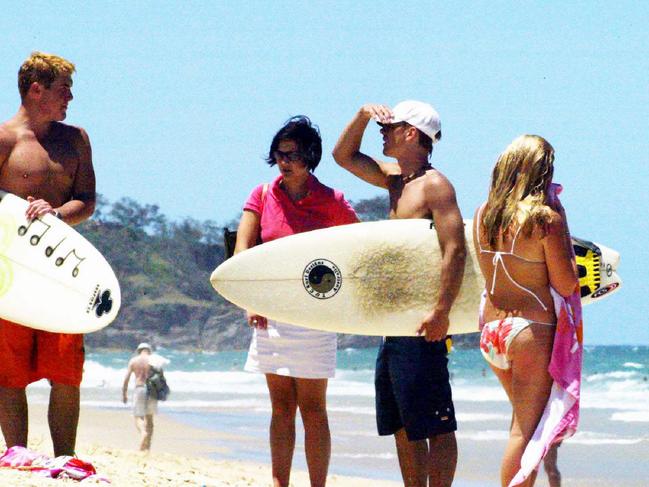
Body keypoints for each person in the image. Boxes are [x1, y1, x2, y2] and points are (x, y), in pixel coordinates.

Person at [332, 101, 466, 487]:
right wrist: (360, 115)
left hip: (425, 322)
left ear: (411, 134)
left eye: (390, 128)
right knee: (402, 423)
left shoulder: (435, 185)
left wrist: (442, 311)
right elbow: (344, 156)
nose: (382, 132)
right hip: (394, 323)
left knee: (437, 424)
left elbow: (454, 249)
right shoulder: (395, 181)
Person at [235, 116, 358, 487]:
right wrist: (249, 301)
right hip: (271, 313)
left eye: (293, 154)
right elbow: (243, 251)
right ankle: (279, 483)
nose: (285, 161)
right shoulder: (261, 194)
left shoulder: (331, 200)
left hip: (315, 314)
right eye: (280, 153)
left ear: (310, 157)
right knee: (281, 408)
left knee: (314, 409)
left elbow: (359, 249)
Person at [0, 52, 96, 456]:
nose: (70, 97)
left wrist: (56, 214)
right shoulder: (4, 139)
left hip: (61, 270)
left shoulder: (75, 139)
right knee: (9, 368)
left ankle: (65, 456)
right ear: (36, 89)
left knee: (66, 370)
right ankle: (17, 452)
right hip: (13, 271)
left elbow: (87, 201)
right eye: (63, 89)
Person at [473, 135, 578, 487]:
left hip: (492, 333)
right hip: (530, 331)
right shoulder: (545, 220)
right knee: (524, 434)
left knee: (521, 425)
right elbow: (565, 284)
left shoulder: (482, 215)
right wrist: (562, 220)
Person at [122, 343, 160, 452]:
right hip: (152, 390)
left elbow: (126, 378)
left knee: (138, 416)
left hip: (139, 388)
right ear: (149, 350)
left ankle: (143, 433)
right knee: (150, 419)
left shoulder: (134, 361)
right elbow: (160, 379)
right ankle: (147, 447)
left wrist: (124, 394)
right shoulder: (154, 361)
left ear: (139, 351)